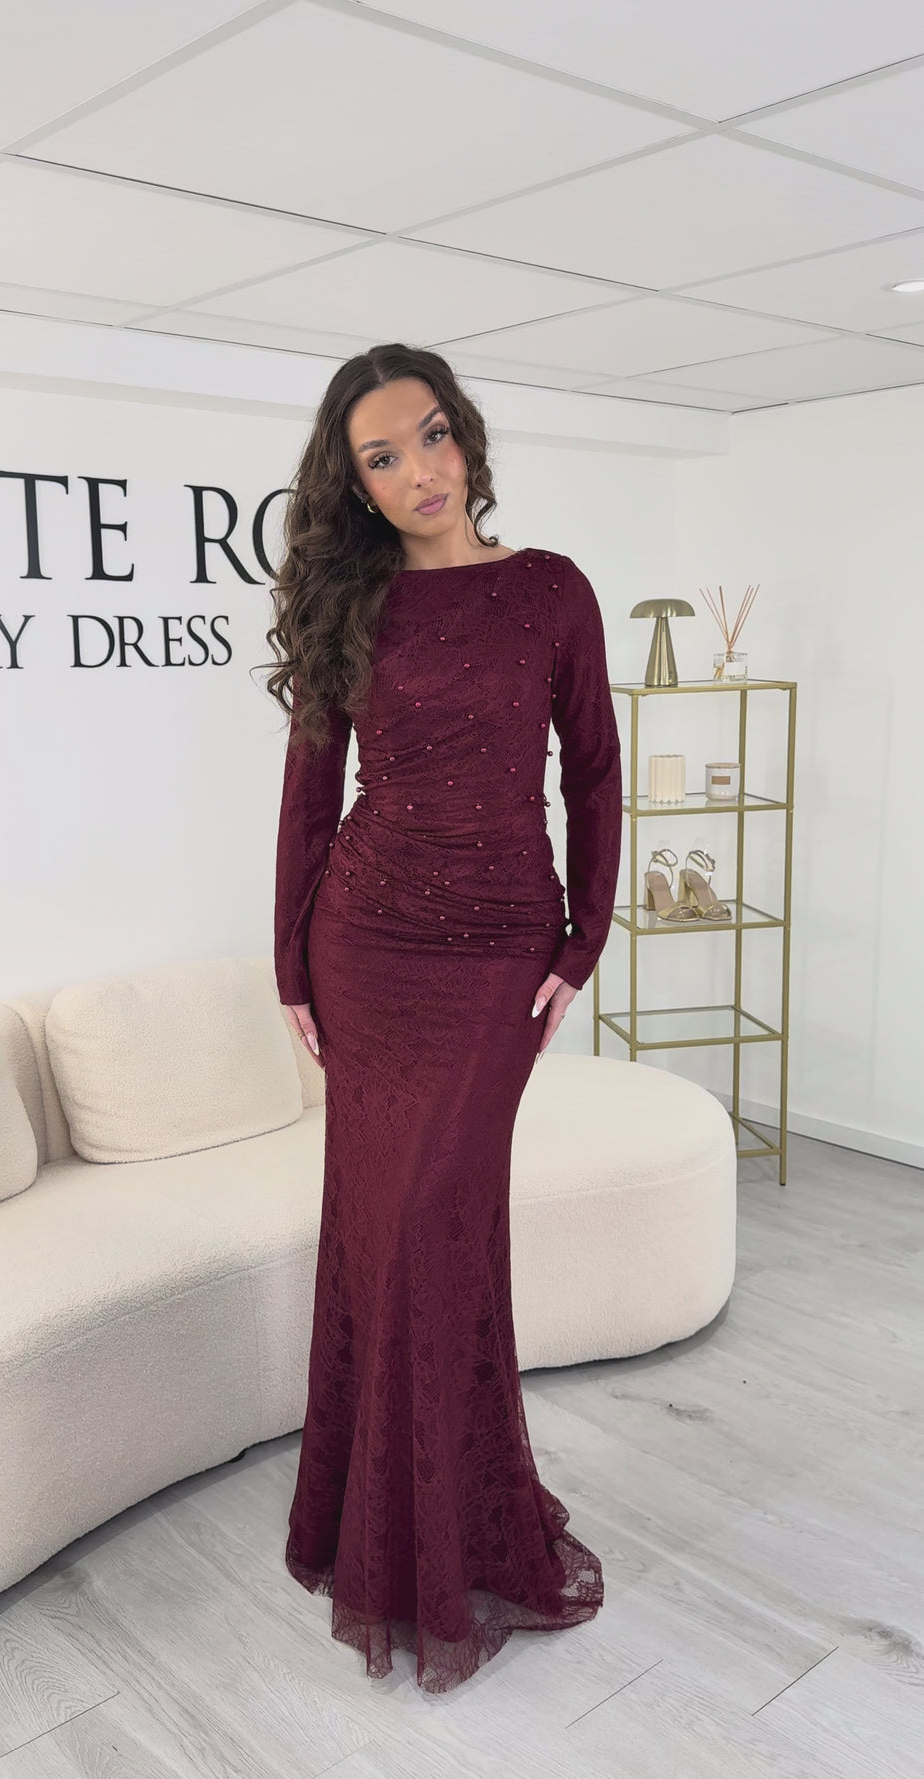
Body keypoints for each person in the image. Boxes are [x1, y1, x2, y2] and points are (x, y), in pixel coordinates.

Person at [265, 342, 623, 1694]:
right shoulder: (348, 603)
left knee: (435, 1225)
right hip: (365, 945)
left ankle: (449, 1527)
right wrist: (290, 968)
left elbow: (594, 772)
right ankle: (373, 1527)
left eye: (430, 436)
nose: (419, 471)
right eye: (382, 457)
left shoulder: (552, 590)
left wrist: (584, 938)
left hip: (495, 955)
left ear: (464, 435)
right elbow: (310, 796)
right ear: (354, 484)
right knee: (379, 1229)